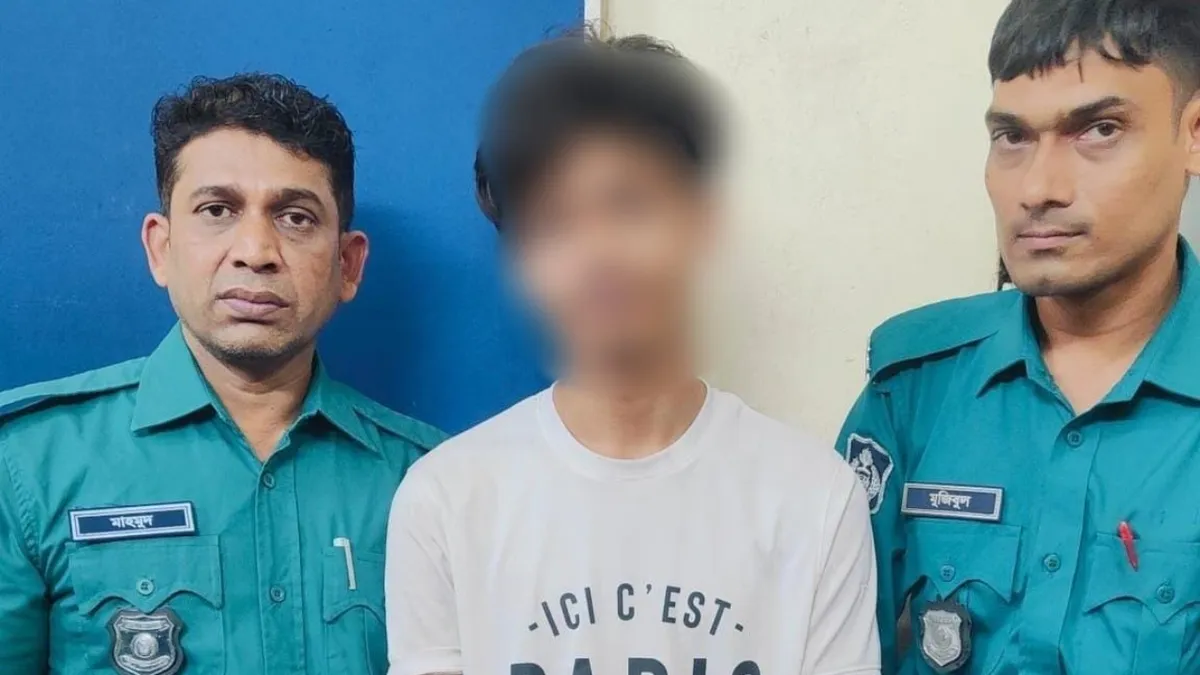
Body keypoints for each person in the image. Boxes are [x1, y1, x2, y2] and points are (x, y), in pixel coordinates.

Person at [383, 31, 880, 675]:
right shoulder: (445, 500)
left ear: (700, 221)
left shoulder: (814, 498)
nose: (598, 254)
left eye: (630, 204)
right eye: (552, 222)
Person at [0, 73, 445, 674]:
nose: (255, 251)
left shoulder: (431, 479)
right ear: (161, 249)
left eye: (296, 217)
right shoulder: (28, 465)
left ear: (347, 264)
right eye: (217, 210)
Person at [838, 0, 1200, 672]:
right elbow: (826, 643)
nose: (1037, 188)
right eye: (1012, 137)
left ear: (1193, 134)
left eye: (1099, 129)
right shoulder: (915, 387)